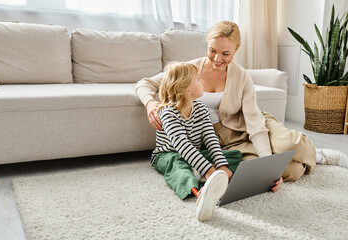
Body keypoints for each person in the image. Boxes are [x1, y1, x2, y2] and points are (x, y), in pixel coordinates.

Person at [136, 20, 348, 190]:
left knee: (289, 146)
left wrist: (267, 162)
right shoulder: (188, 71)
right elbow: (144, 84)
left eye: (226, 54)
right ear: (207, 44)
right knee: (287, 171)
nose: (217, 58)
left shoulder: (241, 76)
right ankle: (300, 162)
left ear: (236, 50)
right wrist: (151, 104)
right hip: (225, 136)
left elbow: (255, 124)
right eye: (212, 50)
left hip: (253, 122)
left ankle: (319, 155)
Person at [152, 62, 242, 221]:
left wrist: (221, 166)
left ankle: (204, 173)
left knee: (234, 156)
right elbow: (182, 146)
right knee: (179, 170)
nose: (203, 82)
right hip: (169, 154)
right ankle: (201, 194)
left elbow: (210, 138)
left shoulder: (201, 108)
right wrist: (209, 170)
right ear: (186, 87)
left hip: (194, 153)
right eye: (198, 79)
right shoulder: (167, 112)